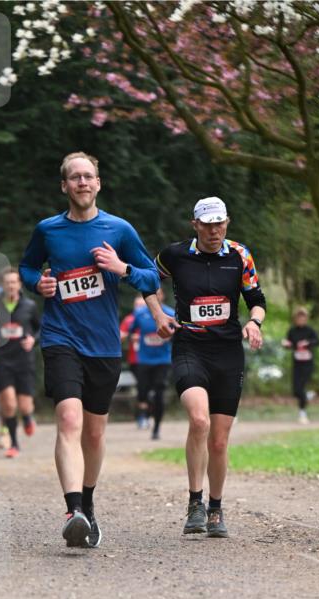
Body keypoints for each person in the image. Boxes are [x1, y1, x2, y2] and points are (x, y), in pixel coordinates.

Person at [19, 151, 159, 548]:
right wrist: (37, 284)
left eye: (88, 176)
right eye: (74, 177)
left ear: (98, 183)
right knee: (68, 421)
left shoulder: (119, 230)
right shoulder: (48, 230)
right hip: (61, 338)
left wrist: (121, 268)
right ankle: (73, 510)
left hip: (103, 345)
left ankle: (89, 504)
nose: (82, 183)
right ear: (64, 186)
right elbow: (28, 267)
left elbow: (150, 275)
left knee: (94, 434)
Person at [146, 196, 266, 538]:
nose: (215, 231)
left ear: (227, 223)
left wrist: (254, 324)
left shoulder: (240, 255)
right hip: (190, 347)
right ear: (195, 225)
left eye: (220, 224)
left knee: (219, 440)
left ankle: (215, 508)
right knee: (199, 420)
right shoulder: (175, 255)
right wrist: (159, 314)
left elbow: (256, 299)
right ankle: (194, 502)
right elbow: (147, 280)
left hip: (228, 352)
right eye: (208, 224)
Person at [0, 267, 41, 458]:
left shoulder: (29, 306)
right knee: (9, 404)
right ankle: (14, 444)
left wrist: (33, 340)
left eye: (14, 282)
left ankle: (28, 417)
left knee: (25, 405)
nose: (11, 285)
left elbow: (40, 329)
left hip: (24, 361)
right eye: (7, 282)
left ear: (19, 284)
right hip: (3, 360)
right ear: (2, 285)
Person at [131, 288, 175, 440]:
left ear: (163, 296)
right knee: (142, 392)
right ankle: (143, 414)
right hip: (144, 360)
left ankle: (156, 428)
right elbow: (130, 330)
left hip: (163, 360)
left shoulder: (170, 313)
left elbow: (179, 333)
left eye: (159, 293)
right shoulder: (140, 313)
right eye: (153, 293)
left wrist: (171, 336)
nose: (156, 296)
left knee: (159, 393)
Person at [281, 306, 319, 424]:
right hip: (297, 362)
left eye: (303, 318)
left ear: (306, 319)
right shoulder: (292, 331)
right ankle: (307, 396)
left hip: (308, 363)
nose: (301, 320)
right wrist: (286, 344)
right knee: (296, 390)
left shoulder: (310, 330)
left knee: (301, 387)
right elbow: (289, 344)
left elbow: (318, 341)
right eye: (299, 318)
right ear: (295, 319)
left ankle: (303, 413)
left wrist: (307, 343)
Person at [120, 294, 145, 426]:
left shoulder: (153, 318)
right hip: (135, 360)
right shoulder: (129, 320)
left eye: (142, 306)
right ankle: (141, 416)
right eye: (137, 306)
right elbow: (120, 335)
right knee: (142, 388)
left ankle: (145, 414)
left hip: (155, 360)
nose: (139, 308)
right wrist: (130, 336)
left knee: (152, 388)